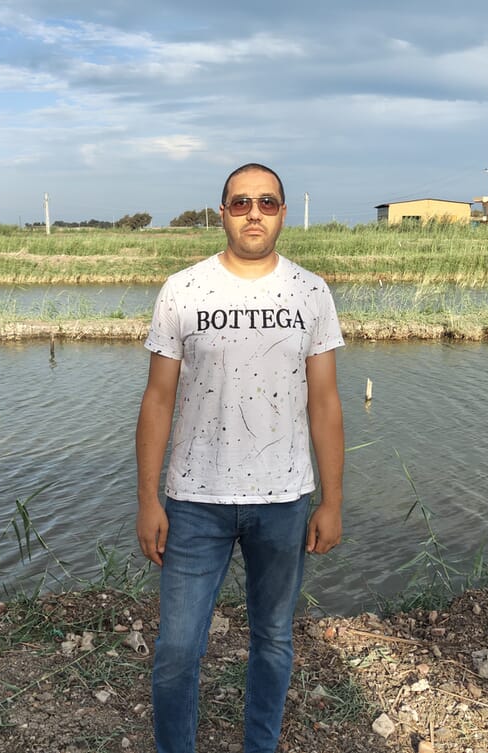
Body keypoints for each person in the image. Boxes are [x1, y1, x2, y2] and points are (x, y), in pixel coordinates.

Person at [135, 163, 345, 753]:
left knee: (274, 638)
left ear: (283, 212)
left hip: (283, 500)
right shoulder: (183, 289)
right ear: (221, 211)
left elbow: (325, 403)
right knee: (177, 650)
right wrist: (147, 498)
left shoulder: (310, 292)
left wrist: (332, 501)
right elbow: (157, 399)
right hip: (194, 500)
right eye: (241, 202)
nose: (254, 212)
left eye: (268, 202)